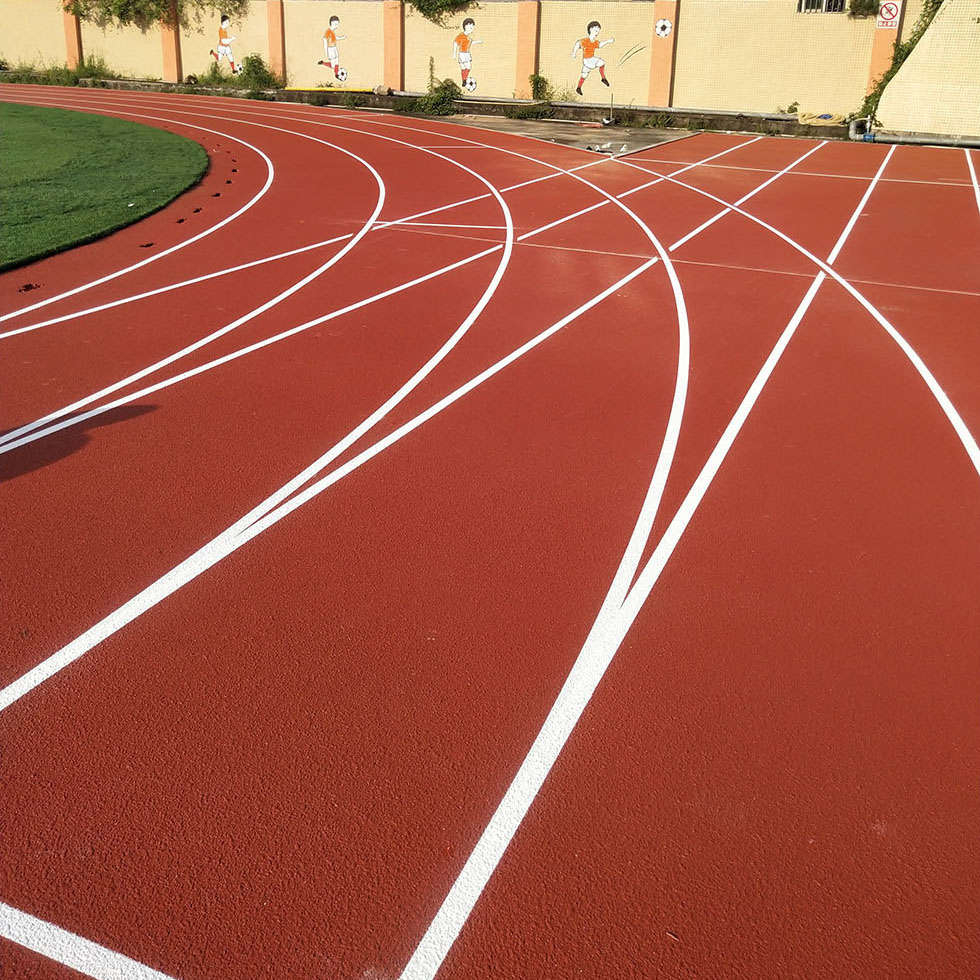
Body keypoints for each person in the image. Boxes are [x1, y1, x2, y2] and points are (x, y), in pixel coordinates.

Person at [572, 21, 614, 96]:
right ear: (591, 29)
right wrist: (574, 53)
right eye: (596, 30)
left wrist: (608, 41)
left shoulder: (595, 42)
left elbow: (600, 45)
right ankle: (603, 78)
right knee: (601, 63)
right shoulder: (585, 40)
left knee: (584, 75)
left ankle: (578, 88)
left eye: (598, 31)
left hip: (589, 61)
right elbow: (577, 43)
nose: (597, 33)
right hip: (588, 60)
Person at [452, 18, 482, 87]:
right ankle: (464, 80)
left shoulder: (469, 37)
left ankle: (464, 80)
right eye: (470, 26)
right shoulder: (461, 35)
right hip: (462, 53)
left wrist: (478, 42)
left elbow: (470, 43)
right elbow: (455, 43)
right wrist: (454, 54)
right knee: (467, 67)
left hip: (467, 53)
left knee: (465, 68)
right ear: (465, 26)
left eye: (472, 26)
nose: (472, 28)